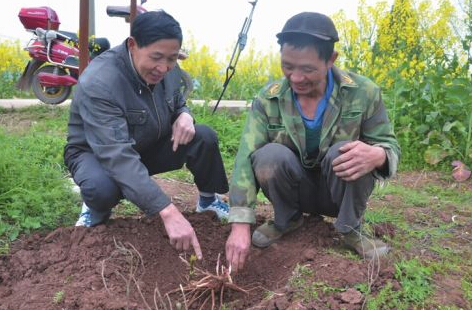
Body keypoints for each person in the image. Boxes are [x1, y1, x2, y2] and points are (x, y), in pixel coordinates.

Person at [225, 12, 400, 271]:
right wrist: (240, 223)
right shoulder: (269, 98)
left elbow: (388, 144)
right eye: (287, 66)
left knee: (346, 151)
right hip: (293, 191)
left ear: (331, 60)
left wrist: (378, 155)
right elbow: (245, 156)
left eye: (307, 69)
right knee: (269, 155)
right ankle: (287, 220)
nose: (295, 78)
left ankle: (351, 229)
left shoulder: (364, 93)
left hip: (339, 190)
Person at [64, 10, 230, 260]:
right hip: (97, 153)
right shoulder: (101, 82)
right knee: (102, 188)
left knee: (203, 136)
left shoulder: (166, 68)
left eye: (172, 58)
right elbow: (117, 156)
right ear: (133, 45)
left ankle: (208, 201)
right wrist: (167, 211)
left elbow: (176, 101)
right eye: (156, 58)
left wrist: (185, 114)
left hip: (145, 143)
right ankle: (94, 209)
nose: (163, 67)